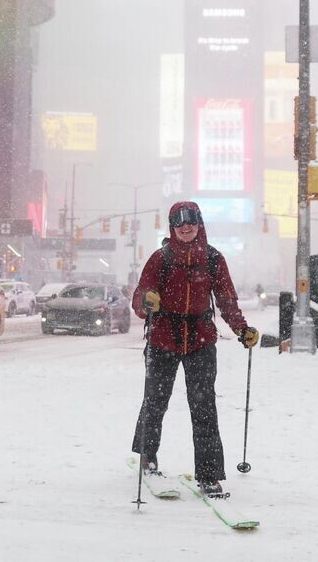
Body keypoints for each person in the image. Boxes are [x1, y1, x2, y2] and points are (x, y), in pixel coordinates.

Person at [131, 201, 258, 499]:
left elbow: (226, 299)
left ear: (199, 224)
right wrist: (146, 301)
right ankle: (147, 455)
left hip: (200, 340)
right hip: (163, 338)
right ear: (172, 227)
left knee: (204, 407)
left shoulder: (213, 259)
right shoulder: (160, 259)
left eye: (190, 222)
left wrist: (241, 329)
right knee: (155, 401)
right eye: (179, 223)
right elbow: (140, 295)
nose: (185, 227)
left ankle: (209, 474)